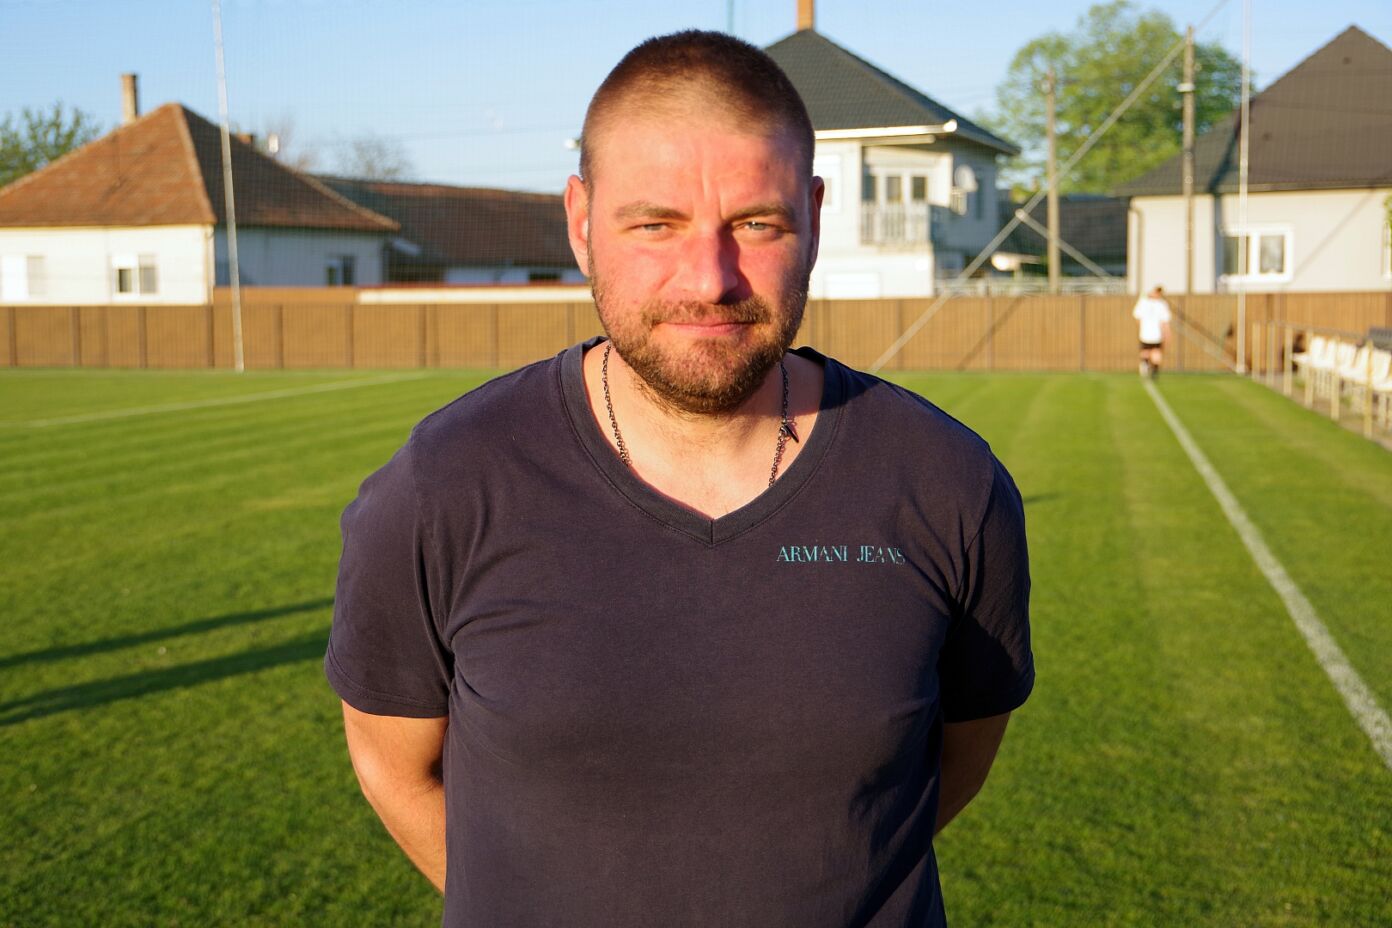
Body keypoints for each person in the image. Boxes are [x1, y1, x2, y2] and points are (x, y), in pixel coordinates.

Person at [325, 30, 1033, 928]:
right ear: (582, 220)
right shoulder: (443, 485)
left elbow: (954, 763)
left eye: (756, 224)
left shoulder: (949, 484)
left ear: (814, 216)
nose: (710, 279)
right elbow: (393, 766)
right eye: (655, 224)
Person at [1132, 285, 1173, 378]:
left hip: (1152, 334)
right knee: (1150, 352)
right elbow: (1165, 322)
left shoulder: (1144, 302)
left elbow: (1137, 317)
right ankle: (1150, 368)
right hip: (1150, 333)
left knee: (1152, 352)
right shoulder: (1160, 304)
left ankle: (1150, 368)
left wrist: (1167, 334)